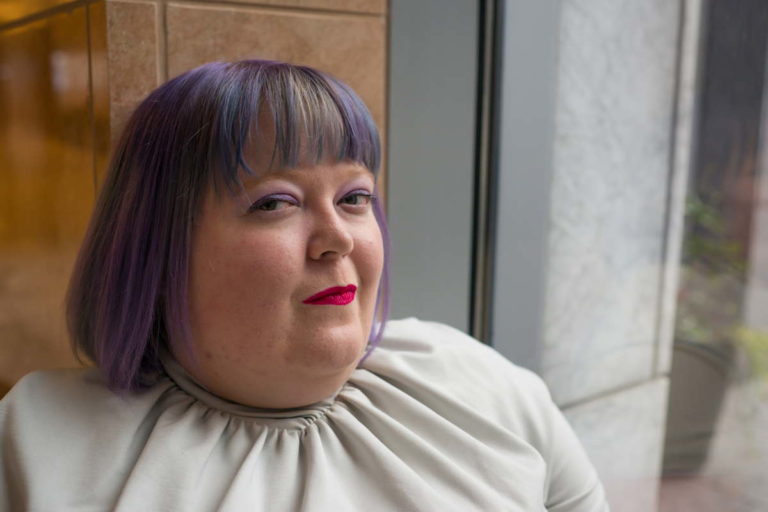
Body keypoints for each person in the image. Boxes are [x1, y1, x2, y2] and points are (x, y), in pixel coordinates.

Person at [0, 59, 609, 511]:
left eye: (355, 197)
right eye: (275, 203)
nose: (337, 237)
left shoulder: (490, 391)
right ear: (158, 246)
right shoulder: (31, 445)